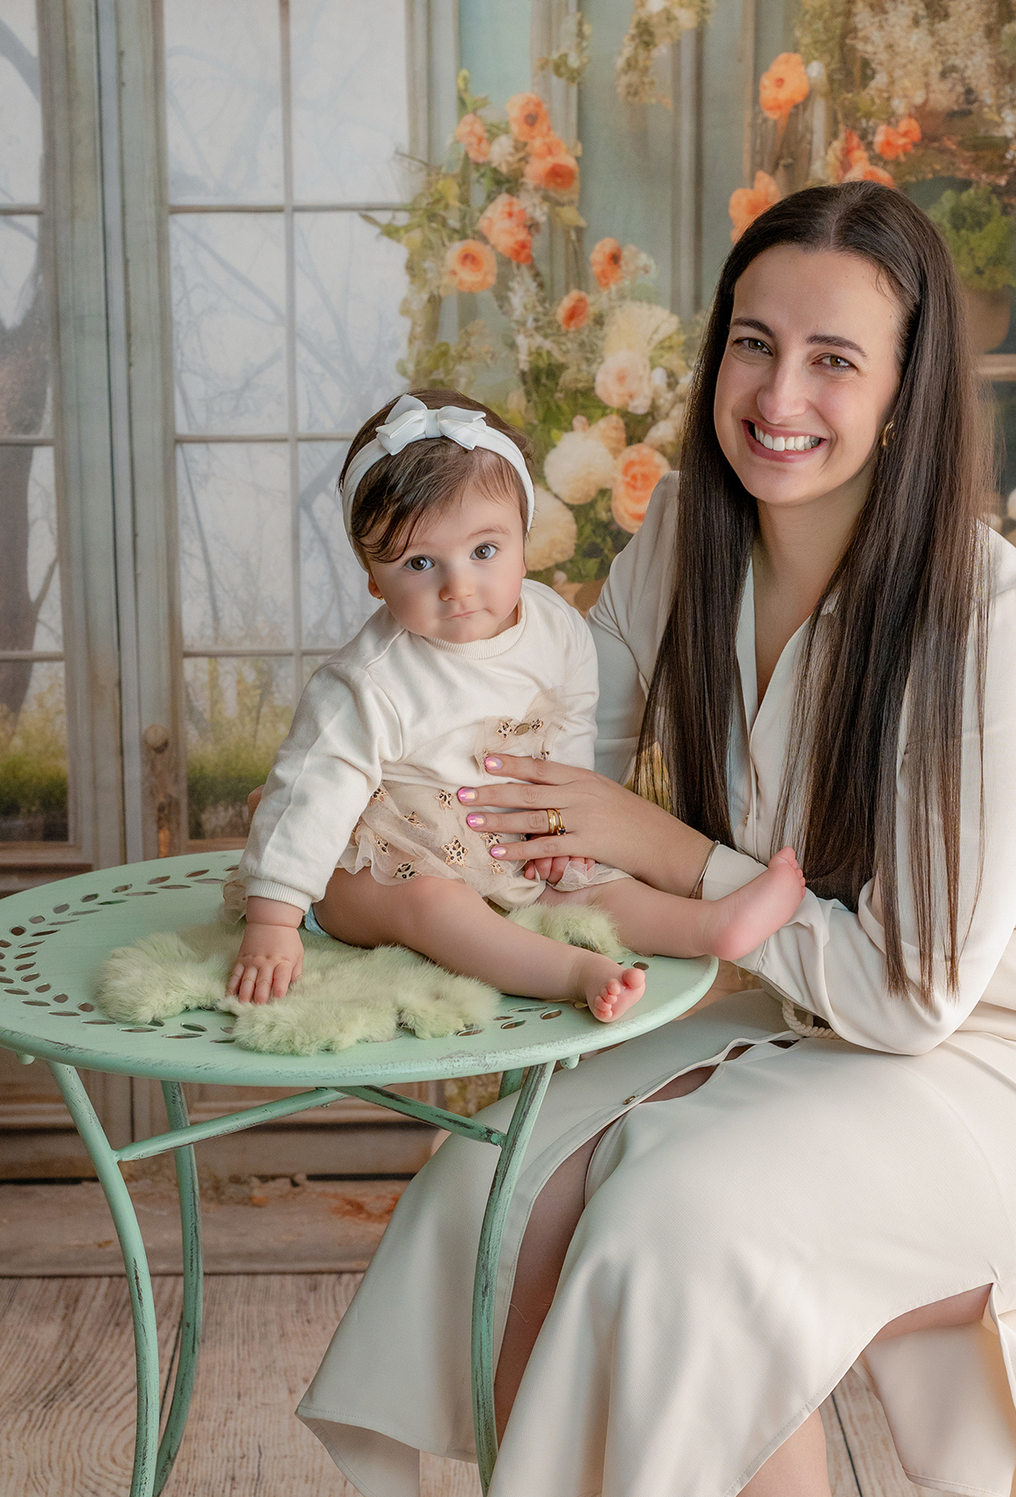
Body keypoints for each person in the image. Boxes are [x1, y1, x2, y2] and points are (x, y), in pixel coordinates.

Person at [296, 186, 1016, 1497]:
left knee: (688, 1240)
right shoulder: (689, 546)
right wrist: (387, 858)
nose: (780, 397)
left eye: (835, 359)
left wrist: (687, 866)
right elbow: (544, 785)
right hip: (797, 1002)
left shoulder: (988, 621)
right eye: (754, 345)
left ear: (906, 394)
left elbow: (915, 999)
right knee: (494, 1195)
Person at [224, 388, 804, 1024]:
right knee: (437, 908)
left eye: (483, 551)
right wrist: (273, 918)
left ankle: (709, 927)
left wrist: (561, 827)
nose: (458, 587)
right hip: (380, 862)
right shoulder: (369, 681)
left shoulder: (553, 628)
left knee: (587, 883)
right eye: (420, 562)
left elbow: (572, 721)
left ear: (523, 536)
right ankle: (572, 972)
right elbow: (311, 791)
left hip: (500, 843)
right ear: (372, 576)